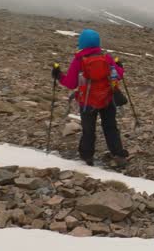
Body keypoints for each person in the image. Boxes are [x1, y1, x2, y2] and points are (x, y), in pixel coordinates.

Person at [52, 28, 129, 166]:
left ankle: (87, 156)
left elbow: (71, 83)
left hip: (87, 102)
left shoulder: (79, 60)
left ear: (82, 42)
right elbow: (118, 75)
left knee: (89, 130)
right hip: (107, 100)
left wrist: (58, 75)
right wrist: (119, 66)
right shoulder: (106, 58)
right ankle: (118, 154)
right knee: (110, 127)